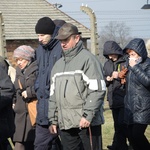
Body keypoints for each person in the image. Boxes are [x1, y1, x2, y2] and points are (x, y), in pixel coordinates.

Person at [48, 23, 106, 150]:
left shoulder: (89, 60)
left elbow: (98, 90)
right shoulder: (57, 65)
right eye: (61, 41)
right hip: (65, 124)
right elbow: (53, 95)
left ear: (77, 38)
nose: (63, 44)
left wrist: (88, 115)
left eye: (66, 40)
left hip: (86, 123)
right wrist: (53, 120)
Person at [34, 17, 62, 150]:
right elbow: (38, 73)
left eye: (42, 35)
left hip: (61, 108)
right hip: (43, 109)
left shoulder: (62, 47)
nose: (39, 39)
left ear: (52, 33)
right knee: (40, 145)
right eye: (38, 35)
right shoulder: (39, 50)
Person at [123, 38, 150, 150]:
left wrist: (135, 67)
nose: (131, 57)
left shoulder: (147, 64)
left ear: (140, 53)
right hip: (130, 105)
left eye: (133, 54)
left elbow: (148, 81)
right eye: (129, 54)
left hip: (142, 105)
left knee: (137, 135)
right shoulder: (129, 65)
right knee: (130, 135)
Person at [103, 41, 128, 150]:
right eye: (108, 54)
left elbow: (129, 77)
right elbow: (103, 78)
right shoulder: (107, 64)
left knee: (122, 125)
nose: (109, 56)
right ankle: (118, 145)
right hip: (113, 98)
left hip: (124, 97)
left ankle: (120, 145)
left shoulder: (125, 61)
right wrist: (107, 79)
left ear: (116, 52)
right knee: (117, 125)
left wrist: (117, 75)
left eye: (111, 54)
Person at [13, 45, 38, 150]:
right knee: (19, 144)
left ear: (28, 58)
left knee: (34, 143)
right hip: (20, 114)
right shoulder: (18, 71)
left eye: (21, 59)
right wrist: (14, 102)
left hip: (32, 113)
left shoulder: (37, 69)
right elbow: (15, 89)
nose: (19, 62)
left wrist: (30, 92)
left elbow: (43, 88)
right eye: (17, 60)